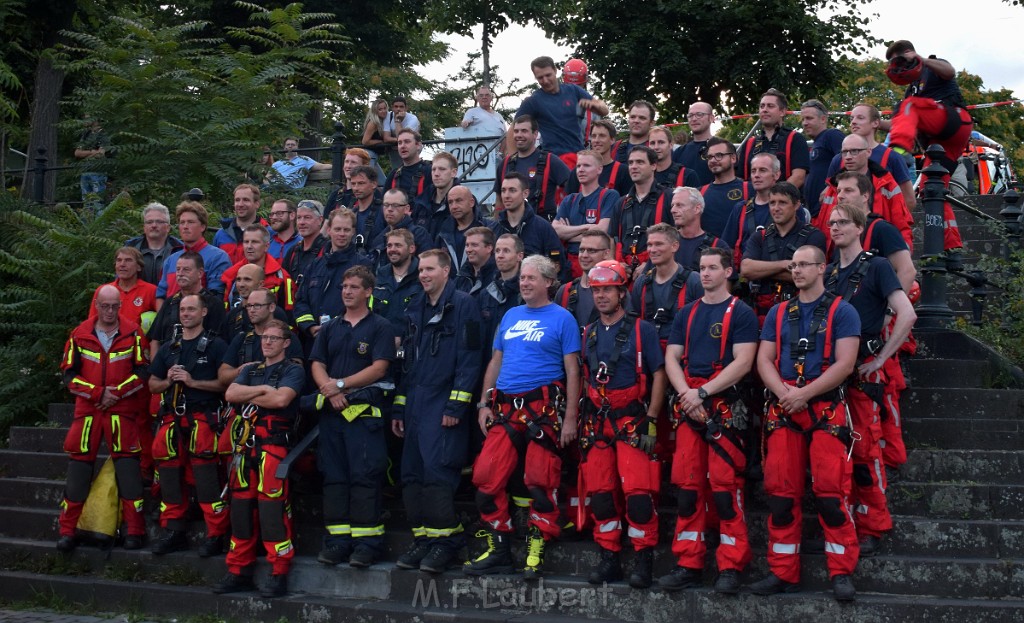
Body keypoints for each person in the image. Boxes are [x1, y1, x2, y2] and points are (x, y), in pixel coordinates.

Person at [750, 245, 861, 602]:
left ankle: (841, 571)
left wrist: (804, 393)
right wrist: (785, 392)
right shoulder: (778, 313)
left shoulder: (843, 312)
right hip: (785, 408)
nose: (796, 270)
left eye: (803, 265)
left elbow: (845, 364)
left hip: (825, 409)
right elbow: (764, 359)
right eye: (793, 265)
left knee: (831, 495)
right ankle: (783, 572)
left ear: (821, 268)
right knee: (781, 497)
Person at [466, 255, 580, 579]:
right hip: (504, 410)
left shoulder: (562, 319)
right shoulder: (511, 316)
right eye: (522, 279)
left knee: (540, 483)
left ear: (548, 282)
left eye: (531, 278)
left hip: (542, 411)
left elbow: (573, 371)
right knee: (485, 480)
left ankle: (537, 545)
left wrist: (570, 417)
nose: (524, 283)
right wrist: (483, 404)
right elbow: (495, 362)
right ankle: (499, 548)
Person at [658, 247, 758, 594]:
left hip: (724, 410)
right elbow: (671, 357)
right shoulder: (686, 312)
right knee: (687, 491)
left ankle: (731, 565)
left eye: (713, 268)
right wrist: (687, 393)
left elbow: (744, 362)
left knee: (726, 491)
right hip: (689, 408)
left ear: (728, 271)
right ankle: (688, 562)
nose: (705, 274)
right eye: (701, 268)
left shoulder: (741, 312)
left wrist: (702, 394)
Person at [825, 203, 916, 557]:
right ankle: (844, 523)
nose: (835, 228)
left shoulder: (877, 266)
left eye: (843, 222)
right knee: (836, 456)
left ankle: (874, 524)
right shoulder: (830, 273)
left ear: (859, 226)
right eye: (832, 223)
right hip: (833, 375)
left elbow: (905, 313)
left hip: (863, 371)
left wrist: (882, 357)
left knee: (865, 453)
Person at [392, 249, 482, 573]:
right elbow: (406, 364)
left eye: (430, 269)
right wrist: (399, 408)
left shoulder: (464, 305)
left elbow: (471, 360)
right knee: (411, 476)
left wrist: (457, 405)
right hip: (415, 400)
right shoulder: (415, 306)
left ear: (446, 271)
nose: (424, 275)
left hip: (443, 402)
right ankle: (424, 540)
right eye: (421, 270)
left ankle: (447, 543)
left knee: (437, 473)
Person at [578, 260, 666, 588]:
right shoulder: (587, 332)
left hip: (633, 421)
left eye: (607, 290)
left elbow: (658, 374)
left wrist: (653, 419)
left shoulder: (643, 330)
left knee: (639, 497)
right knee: (600, 495)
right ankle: (609, 557)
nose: (601, 296)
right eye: (596, 290)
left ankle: (643, 559)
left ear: (622, 292)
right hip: (597, 423)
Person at [310, 266, 396, 567]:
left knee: (365, 479)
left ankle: (366, 545)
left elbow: (379, 368)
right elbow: (317, 362)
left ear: (368, 292)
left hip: (363, 417)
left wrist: (342, 385)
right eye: (344, 286)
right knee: (334, 479)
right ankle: (336, 543)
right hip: (332, 415)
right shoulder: (332, 327)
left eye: (354, 287)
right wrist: (329, 389)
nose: (347, 291)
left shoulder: (380, 326)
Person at [213, 319, 304, 598]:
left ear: (286, 343)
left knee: (272, 510)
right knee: (240, 510)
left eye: (274, 339)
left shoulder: (294, 370)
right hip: (244, 450)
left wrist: (253, 395)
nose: (267, 342)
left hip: (274, 449)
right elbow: (230, 393)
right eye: (265, 338)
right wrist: (263, 391)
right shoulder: (251, 369)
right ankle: (239, 571)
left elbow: (281, 401)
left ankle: (279, 573)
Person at [57, 285, 149, 553]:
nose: (110, 311)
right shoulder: (79, 334)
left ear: (121, 305)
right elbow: (68, 376)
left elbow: (142, 372)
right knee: (78, 471)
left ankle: (135, 531)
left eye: (115, 306)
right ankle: (67, 531)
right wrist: (98, 394)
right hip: (88, 412)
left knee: (129, 471)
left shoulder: (133, 332)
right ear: (96, 304)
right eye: (105, 306)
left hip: (122, 411)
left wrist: (115, 394)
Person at [148, 294, 230, 557]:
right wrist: (169, 381)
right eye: (183, 310)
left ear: (204, 312)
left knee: (206, 480)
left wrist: (193, 382)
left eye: (191, 309)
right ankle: (174, 530)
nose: (186, 314)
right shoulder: (169, 347)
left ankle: (216, 534)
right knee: (170, 478)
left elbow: (225, 385)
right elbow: (152, 385)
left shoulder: (217, 346)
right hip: (172, 419)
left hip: (203, 418)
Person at [883, 39, 969, 254]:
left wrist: (920, 59)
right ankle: (951, 246)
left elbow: (949, 71)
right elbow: (899, 124)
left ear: (910, 53)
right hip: (940, 145)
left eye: (901, 61)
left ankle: (900, 154)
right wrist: (870, 122)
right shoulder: (910, 92)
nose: (900, 67)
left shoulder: (933, 66)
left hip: (955, 120)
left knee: (909, 106)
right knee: (931, 188)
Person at [740, 182, 827, 325]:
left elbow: (811, 276)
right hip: (762, 315)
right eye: (772, 203)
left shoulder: (813, 236)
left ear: (797, 205)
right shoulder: (759, 237)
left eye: (782, 203)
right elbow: (746, 270)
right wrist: (784, 265)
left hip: (799, 315)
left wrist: (762, 271)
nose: (776, 208)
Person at [816, 134, 914, 252]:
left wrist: (903, 253)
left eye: (854, 151)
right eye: (844, 152)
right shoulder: (833, 186)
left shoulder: (886, 183)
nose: (848, 157)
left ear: (868, 152)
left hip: (876, 251)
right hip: (839, 254)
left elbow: (901, 223)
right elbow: (824, 226)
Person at [293, 208, 374, 345]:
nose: (342, 234)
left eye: (346, 230)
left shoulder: (363, 265)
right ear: (329, 230)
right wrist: (310, 326)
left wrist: (336, 326)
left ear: (353, 231)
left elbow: (368, 302)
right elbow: (300, 301)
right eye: (337, 229)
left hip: (347, 340)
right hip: (312, 340)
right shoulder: (315, 265)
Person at [515, 56, 609, 165]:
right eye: (540, 78)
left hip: (577, 156)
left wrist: (595, 105)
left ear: (555, 70)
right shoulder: (533, 101)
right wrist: (514, 162)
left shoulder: (573, 90)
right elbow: (514, 129)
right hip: (552, 159)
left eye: (548, 75)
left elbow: (604, 110)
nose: (545, 81)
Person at [825, 103, 916, 211]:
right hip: (846, 224)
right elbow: (829, 197)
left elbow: (909, 200)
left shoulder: (892, 157)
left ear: (875, 123)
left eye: (860, 118)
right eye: (851, 118)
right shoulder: (838, 159)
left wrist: (889, 225)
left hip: (881, 224)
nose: (853, 121)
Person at [630, 223, 703, 346]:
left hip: (683, 353)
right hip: (648, 353)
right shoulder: (641, 282)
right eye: (649, 245)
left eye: (659, 244)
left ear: (674, 246)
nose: (652, 250)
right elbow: (634, 322)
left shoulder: (694, 281)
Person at [553, 150, 619, 278]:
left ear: (599, 169)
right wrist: (587, 227)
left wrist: (568, 235)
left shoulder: (609, 195)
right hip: (570, 265)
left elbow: (602, 231)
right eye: (578, 166)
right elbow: (555, 231)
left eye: (586, 166)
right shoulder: (569, 199)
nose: (581, 170)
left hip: (597, 264)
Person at [148, 252, 227, 358]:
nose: (180, 274)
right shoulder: (170, 302)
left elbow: (220, 345)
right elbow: (155, 341)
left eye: (186, 270)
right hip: (167, 366)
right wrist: (156, 370)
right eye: (178, 269)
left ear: (200, 273)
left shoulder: (213, 304)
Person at [493, 115, 572, 220]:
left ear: (535, 134)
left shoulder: (550, 161)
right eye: (516, 131)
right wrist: (496, 227)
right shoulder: (505, 164)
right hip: (511, 228)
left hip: (543, 226)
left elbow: (573, 188)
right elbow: (499, 199)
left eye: (524, 131)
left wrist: (564, 217)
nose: (519, 135)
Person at [610, 146, 673, 277]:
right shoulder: (621, 203)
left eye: (640, 162)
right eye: (631, 162)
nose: (633, 166)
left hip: (660, 272)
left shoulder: (669, 198)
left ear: (653, 165)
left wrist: (651, 264)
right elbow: (612, 239)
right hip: (625, 274)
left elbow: (679, 237)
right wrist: (616, 265)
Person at [490, 172, 565, 273]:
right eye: (503, 190)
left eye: (512, 190)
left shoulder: (543, 228)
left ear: (525, 193)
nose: (506, 195)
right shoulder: (493, 229)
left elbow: (557, 266)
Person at [737, 88, 810, 189]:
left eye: (770, 106)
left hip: (783, 201)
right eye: (762, 106)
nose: (764, 109)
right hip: (752, 201)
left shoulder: (795, 139)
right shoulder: (750, 143)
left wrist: (774, 198)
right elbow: (740, 178)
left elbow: (798, 177)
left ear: (782, 112)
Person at [156, 201, 231, 299]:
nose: (185, 227)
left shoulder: (218, 257)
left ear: (203, 227)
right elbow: (160, 296)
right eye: (182, 222)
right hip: (170, 312)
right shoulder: (170, 260)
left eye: (190, 222)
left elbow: (216, 297)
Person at [721, 153, 783, 268]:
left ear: (776, 174)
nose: (756, 175)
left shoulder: (789, 208)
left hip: (778, 274)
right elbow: (727, 248)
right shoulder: (740, 208)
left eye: (763, 170)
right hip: (745, 277)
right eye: (753, 171)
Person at [220, 225, 294, 313]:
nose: (249, 246)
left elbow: (289, 313)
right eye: (246, 242)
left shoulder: (282, 277)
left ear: (266, 246)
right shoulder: (231, 274)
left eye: (255, 242)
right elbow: (226, 309)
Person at [555, 229, 614, 330]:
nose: (584, 255)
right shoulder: (565, 291)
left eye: (592, 251)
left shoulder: (616, 292)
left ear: (606, 254)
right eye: (581, 250)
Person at [373, 228, 423, 342]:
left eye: (398, 245)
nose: (392, 250)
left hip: (412, 346)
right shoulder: (379, 276)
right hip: (381, 344)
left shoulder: (422, 276)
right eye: (389, 245)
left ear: (412, 249)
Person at [699, 137, 753, 239]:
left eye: (719, 155)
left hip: (741, 253)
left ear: (733, 158)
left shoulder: (750, 189)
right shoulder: (699, 193)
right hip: (709, 252)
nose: (713, 160)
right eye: (710, 157)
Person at [800, 99, 845, 219]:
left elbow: (848, 161)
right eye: (803, 119)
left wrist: (832, 186)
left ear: (823, 119)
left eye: (809, 118)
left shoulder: (831, 135)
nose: (804, 123)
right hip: (815, 212)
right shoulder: (816, 143)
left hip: (829, 211)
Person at [90, 247, 158, 326]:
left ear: (139, 267)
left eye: (128, 260)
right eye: (119, 260)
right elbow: (91, 322)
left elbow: (163, 322)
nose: (122, 264)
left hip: (138, 337)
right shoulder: (103, 291)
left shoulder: (151, 291)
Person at [564, 119, 632, 196]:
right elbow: (569, 203)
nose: (596, 140)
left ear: (612, 140)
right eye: (593, 136)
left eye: (602, 136)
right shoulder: (579, 171)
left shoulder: (623, 172)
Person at [671, 187, 730, 272]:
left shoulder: (717, 245)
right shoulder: (666, 241)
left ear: (697, 208)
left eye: (679, 205)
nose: (673, 210)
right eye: (672, 205)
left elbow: (726, 283)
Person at [371, 188, 434, 267]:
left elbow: (428, 266)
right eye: (386, 205)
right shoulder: (379, 239)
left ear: (406, 209)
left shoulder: (419, 235)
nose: (390, 209)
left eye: (395, 205)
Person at [125, 202, 182, 286]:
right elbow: (121, 280)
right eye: (149, 222)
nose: (154, 225)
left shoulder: (179, 249)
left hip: (170, 298)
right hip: (138, 298)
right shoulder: (131, 247)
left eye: (159, 222)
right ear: (144, 227)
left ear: (168, 227)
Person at [436, 186, 490, 274]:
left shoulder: (488, 228)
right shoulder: (442, 235)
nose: (454, 206)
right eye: (450, 202)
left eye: (459, 201)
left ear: (471, 202)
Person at [214, 184, 268, 264]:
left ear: (257, 204)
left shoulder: (268, 233)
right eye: (237, 200)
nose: (240, 204)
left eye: (246, 200)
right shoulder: (221, 234)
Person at [282, 199, 329, 290]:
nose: (302, 222)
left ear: (320, 220)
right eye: (299, 218)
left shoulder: (328, 250)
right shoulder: (293, 252)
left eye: (307, 217)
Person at [414, 151, 460, 237]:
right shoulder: (420, 202)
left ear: (454, 172)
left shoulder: (463, 202)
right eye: (433, 169)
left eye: (442, 169)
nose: (436, 174)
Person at [345, 165, 386, 258]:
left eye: (361, 183)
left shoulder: (384, 211)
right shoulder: (351, 214)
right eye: (353, 184)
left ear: (374, 184)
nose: (356, 188)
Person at [325, 148, 375, 216]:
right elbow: (326, 224)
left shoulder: (371, 193)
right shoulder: (335, 195)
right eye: (346, 161)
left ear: (364, 167)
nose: (348, 166)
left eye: (353, 162)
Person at [265, 137, 330, 189]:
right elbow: (267, 178)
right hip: (274, 189)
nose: (290, 146)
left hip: (291, 190)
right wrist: (268, 186)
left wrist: (338, 165)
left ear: (297, 147)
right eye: (288, 144)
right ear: (284, 147)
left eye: (293, 145)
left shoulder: (304, 160)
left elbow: (322, 166)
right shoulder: (276, 164)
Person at [675, 102, 716, 185]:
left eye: (699, 114)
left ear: (711, 118)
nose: (694, 119)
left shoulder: (723, 147)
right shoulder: (679, 152)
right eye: (690, 115)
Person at [453, 227, 497, 296]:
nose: (468, 250)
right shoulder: (460, 277)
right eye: (467, 245)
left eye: (474, 245)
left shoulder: (497, 276)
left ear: (489, 248)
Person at [361, 98, 389, 181]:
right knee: (368, 180)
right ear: (375, 111)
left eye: (385, 108)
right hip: (369, 155)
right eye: (380, 109)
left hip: (373, 156)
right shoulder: (373, 123)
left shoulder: (382, 122)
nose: (383, 111)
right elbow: (365, 141)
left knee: (383, 183)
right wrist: (381, 142)